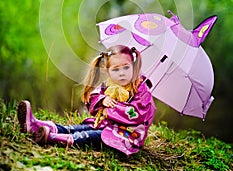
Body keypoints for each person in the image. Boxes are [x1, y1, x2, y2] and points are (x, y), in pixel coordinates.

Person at [17, 45, 156, 156]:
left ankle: (52, 137)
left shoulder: (142, 90)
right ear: (107, 72)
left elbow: (138, 113)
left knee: (92, 136)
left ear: (133, 66)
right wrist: (103, 100)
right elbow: (92, 98)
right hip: (103, 124)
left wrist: (111, 110)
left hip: (125, 134)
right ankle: (35, 125)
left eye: (126, 67)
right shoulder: (108, 85)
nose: (122, 73)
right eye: (116, 69)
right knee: (75, 128)